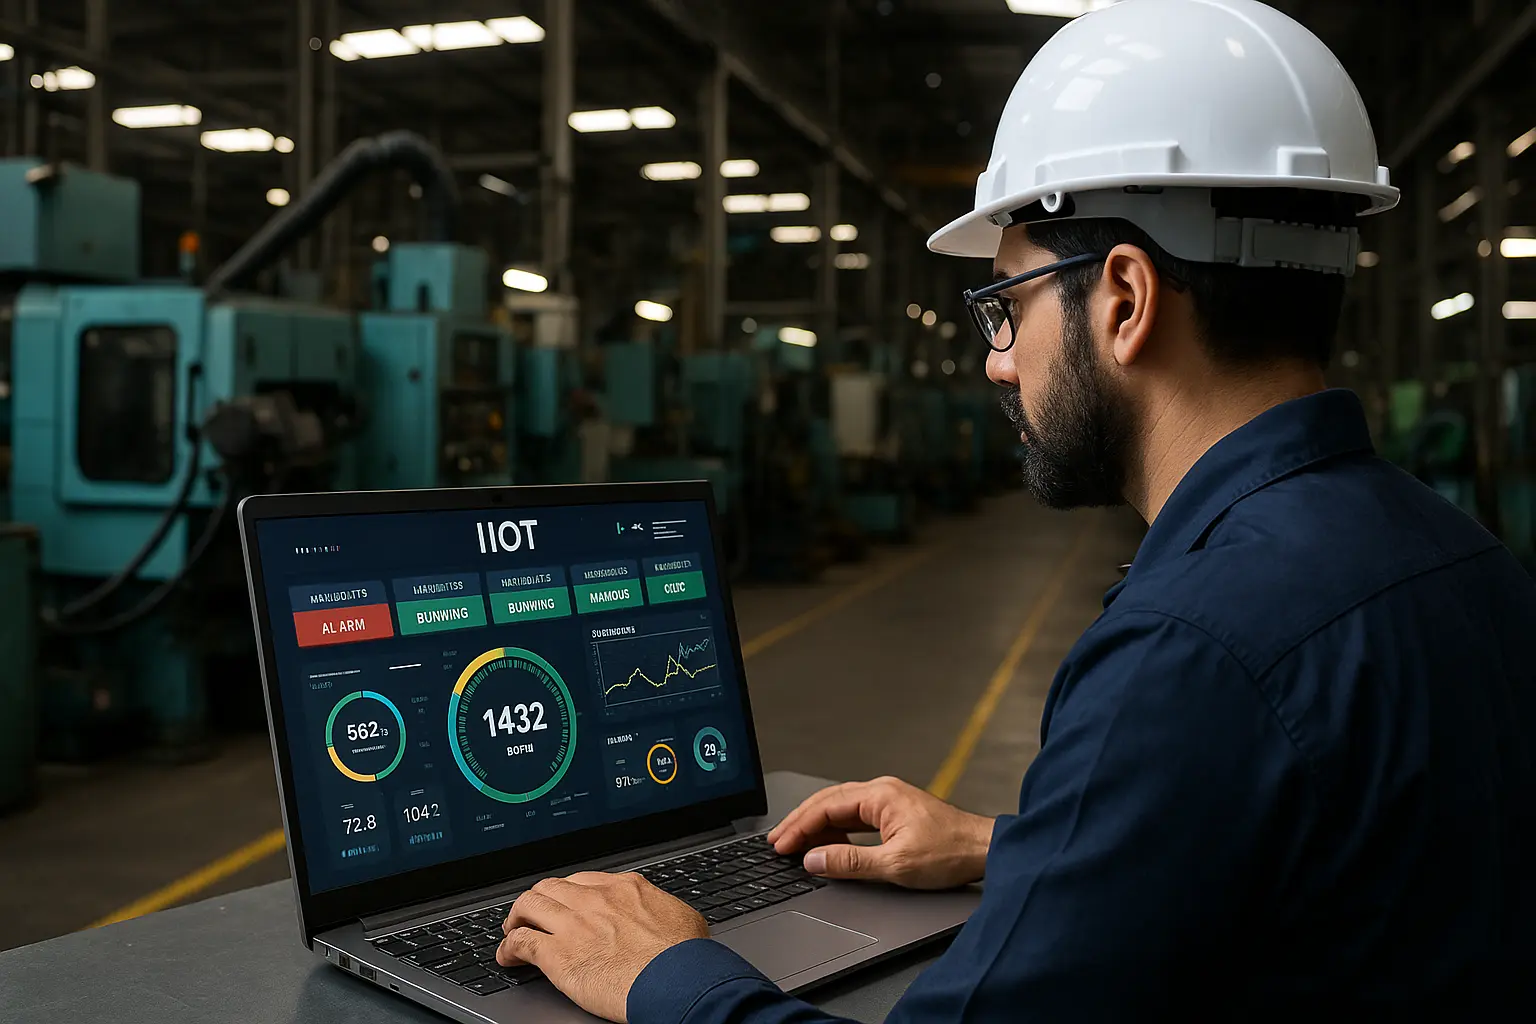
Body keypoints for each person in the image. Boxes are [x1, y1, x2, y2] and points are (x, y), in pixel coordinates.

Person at [495, 0, 1536, 1019]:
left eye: (1007, 305)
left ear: (1123, 299)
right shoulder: (1464, 562)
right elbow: (1330, 871)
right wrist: (1017, 847)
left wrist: (667, 972)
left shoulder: (1188, 653)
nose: (997, 360)